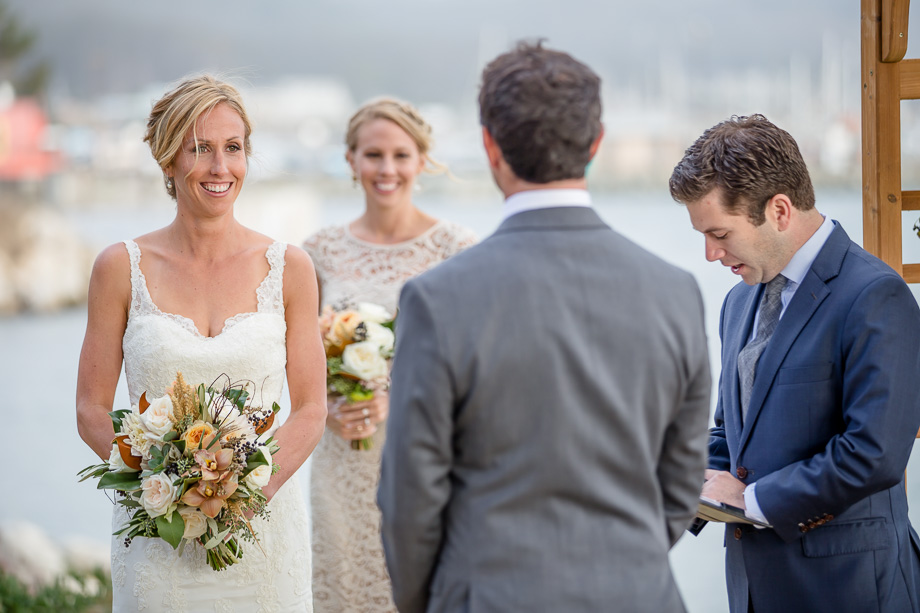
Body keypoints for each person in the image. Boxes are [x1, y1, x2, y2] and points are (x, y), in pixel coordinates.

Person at [377, 41, 712, 613]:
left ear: (490, 146)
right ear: (596, 142)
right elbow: (683, 479)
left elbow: (410, 494)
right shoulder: (675, 291)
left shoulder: (438, 299)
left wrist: (423, 602)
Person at [75, 75, 327, 612]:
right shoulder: (120, 268)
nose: (220, 168)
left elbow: (310, 408)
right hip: (156, 539)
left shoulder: (290, 269)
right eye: (200, 149)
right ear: (168, 161)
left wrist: (244, 495)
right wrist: (159, 482)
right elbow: (91, 409)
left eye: (233, 149)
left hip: (264, 536)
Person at [669, 114, 920, 613]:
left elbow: (874, 454)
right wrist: (673, 479)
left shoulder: (876, 296)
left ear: (779, 210)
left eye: (720, 232)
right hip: (753, 591)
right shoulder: (738, 303)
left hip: (850, 590)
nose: (710, 253)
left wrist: (751, 500)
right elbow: (732, 436)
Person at [303, 97, 476, 612]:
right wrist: (321, 409)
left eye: (401, 155)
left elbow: (472, 365)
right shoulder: (318, 250)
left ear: (422, 161)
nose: (387, 169)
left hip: (421, 457)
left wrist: (395, 398)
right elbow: (293, 359)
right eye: (373, 154)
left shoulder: (454, 249)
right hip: (339, 458)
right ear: (351, 159)